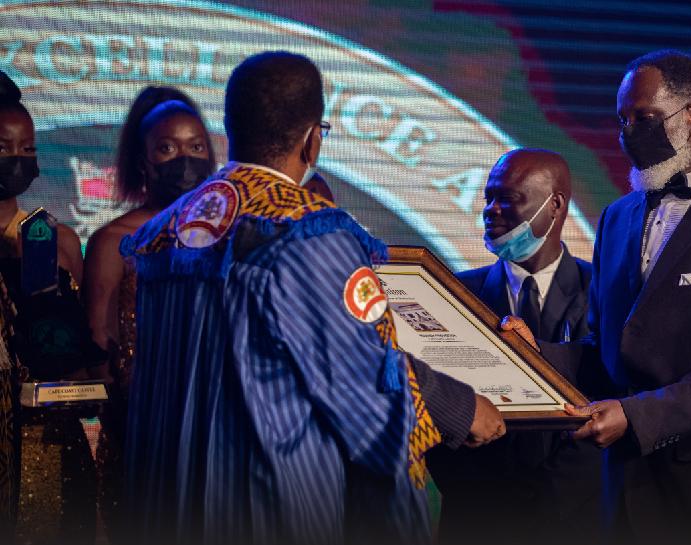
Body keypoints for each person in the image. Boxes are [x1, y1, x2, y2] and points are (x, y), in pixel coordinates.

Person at [119, 51, 503, 544]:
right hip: (265, 507)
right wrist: (461, 409)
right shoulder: (307, 231)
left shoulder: (166, 228)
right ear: (312, 139)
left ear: (229, 129)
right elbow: (363, 379)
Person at [505, 50, 691, 543]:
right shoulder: (618, 218)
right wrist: (539, 356)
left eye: (643, 118)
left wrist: (637, 416)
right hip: (624, 494)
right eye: (622, 119)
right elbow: (609, 349)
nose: (628, 132)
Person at [426, 149, 600, 545]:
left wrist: (542, 498)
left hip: (573, 520)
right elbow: (436, 400)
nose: (491, 209)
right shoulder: (455, 294)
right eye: (488, 197)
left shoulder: (603, 292)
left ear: (555, 204)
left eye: (508, 197)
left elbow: (618, 398)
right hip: (477, 519)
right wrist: (488, 501)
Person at [82, 85, 217, 540]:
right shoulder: (113, 239)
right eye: (168, 148)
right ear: (144, 162)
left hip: (218, 426)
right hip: (140, 431)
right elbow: (96, 340)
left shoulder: (233, 233)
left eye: (196, 147)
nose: (185, 159)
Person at [0, 70, 105, 544]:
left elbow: (75, 349)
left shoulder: (56, 239)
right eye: (2, 149)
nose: (17, 160)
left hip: (45, 440)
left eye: (27, 150)